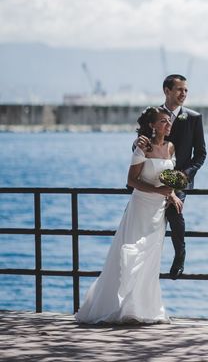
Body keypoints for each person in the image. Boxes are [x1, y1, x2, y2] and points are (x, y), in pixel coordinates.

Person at [75, 107, 182, 324]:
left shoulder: (171, 147)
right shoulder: (143, 147)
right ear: (152, 125)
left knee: (151, 257)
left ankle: (145, 309)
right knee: (132, 252)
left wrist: (171, 193)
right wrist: (159, 191)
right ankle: (119, 306)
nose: (168, 125)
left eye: (169, 121)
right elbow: (132, 181)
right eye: (163, 121)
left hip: (158, 212)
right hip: (141, 207)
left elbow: (168, 178)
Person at [136, 74, 207, 279]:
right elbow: (139, 142)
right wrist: (138, 144)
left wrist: (185, 175)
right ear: (166, 91)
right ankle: (140, 264)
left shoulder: (194, 118)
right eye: (179, 90)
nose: (183, 93)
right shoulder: (152, 114)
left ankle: (179, 254)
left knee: (174, 213)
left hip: (179, 180)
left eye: (186, 90)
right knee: (139, 219)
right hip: (152, 177)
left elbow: (201, 154)